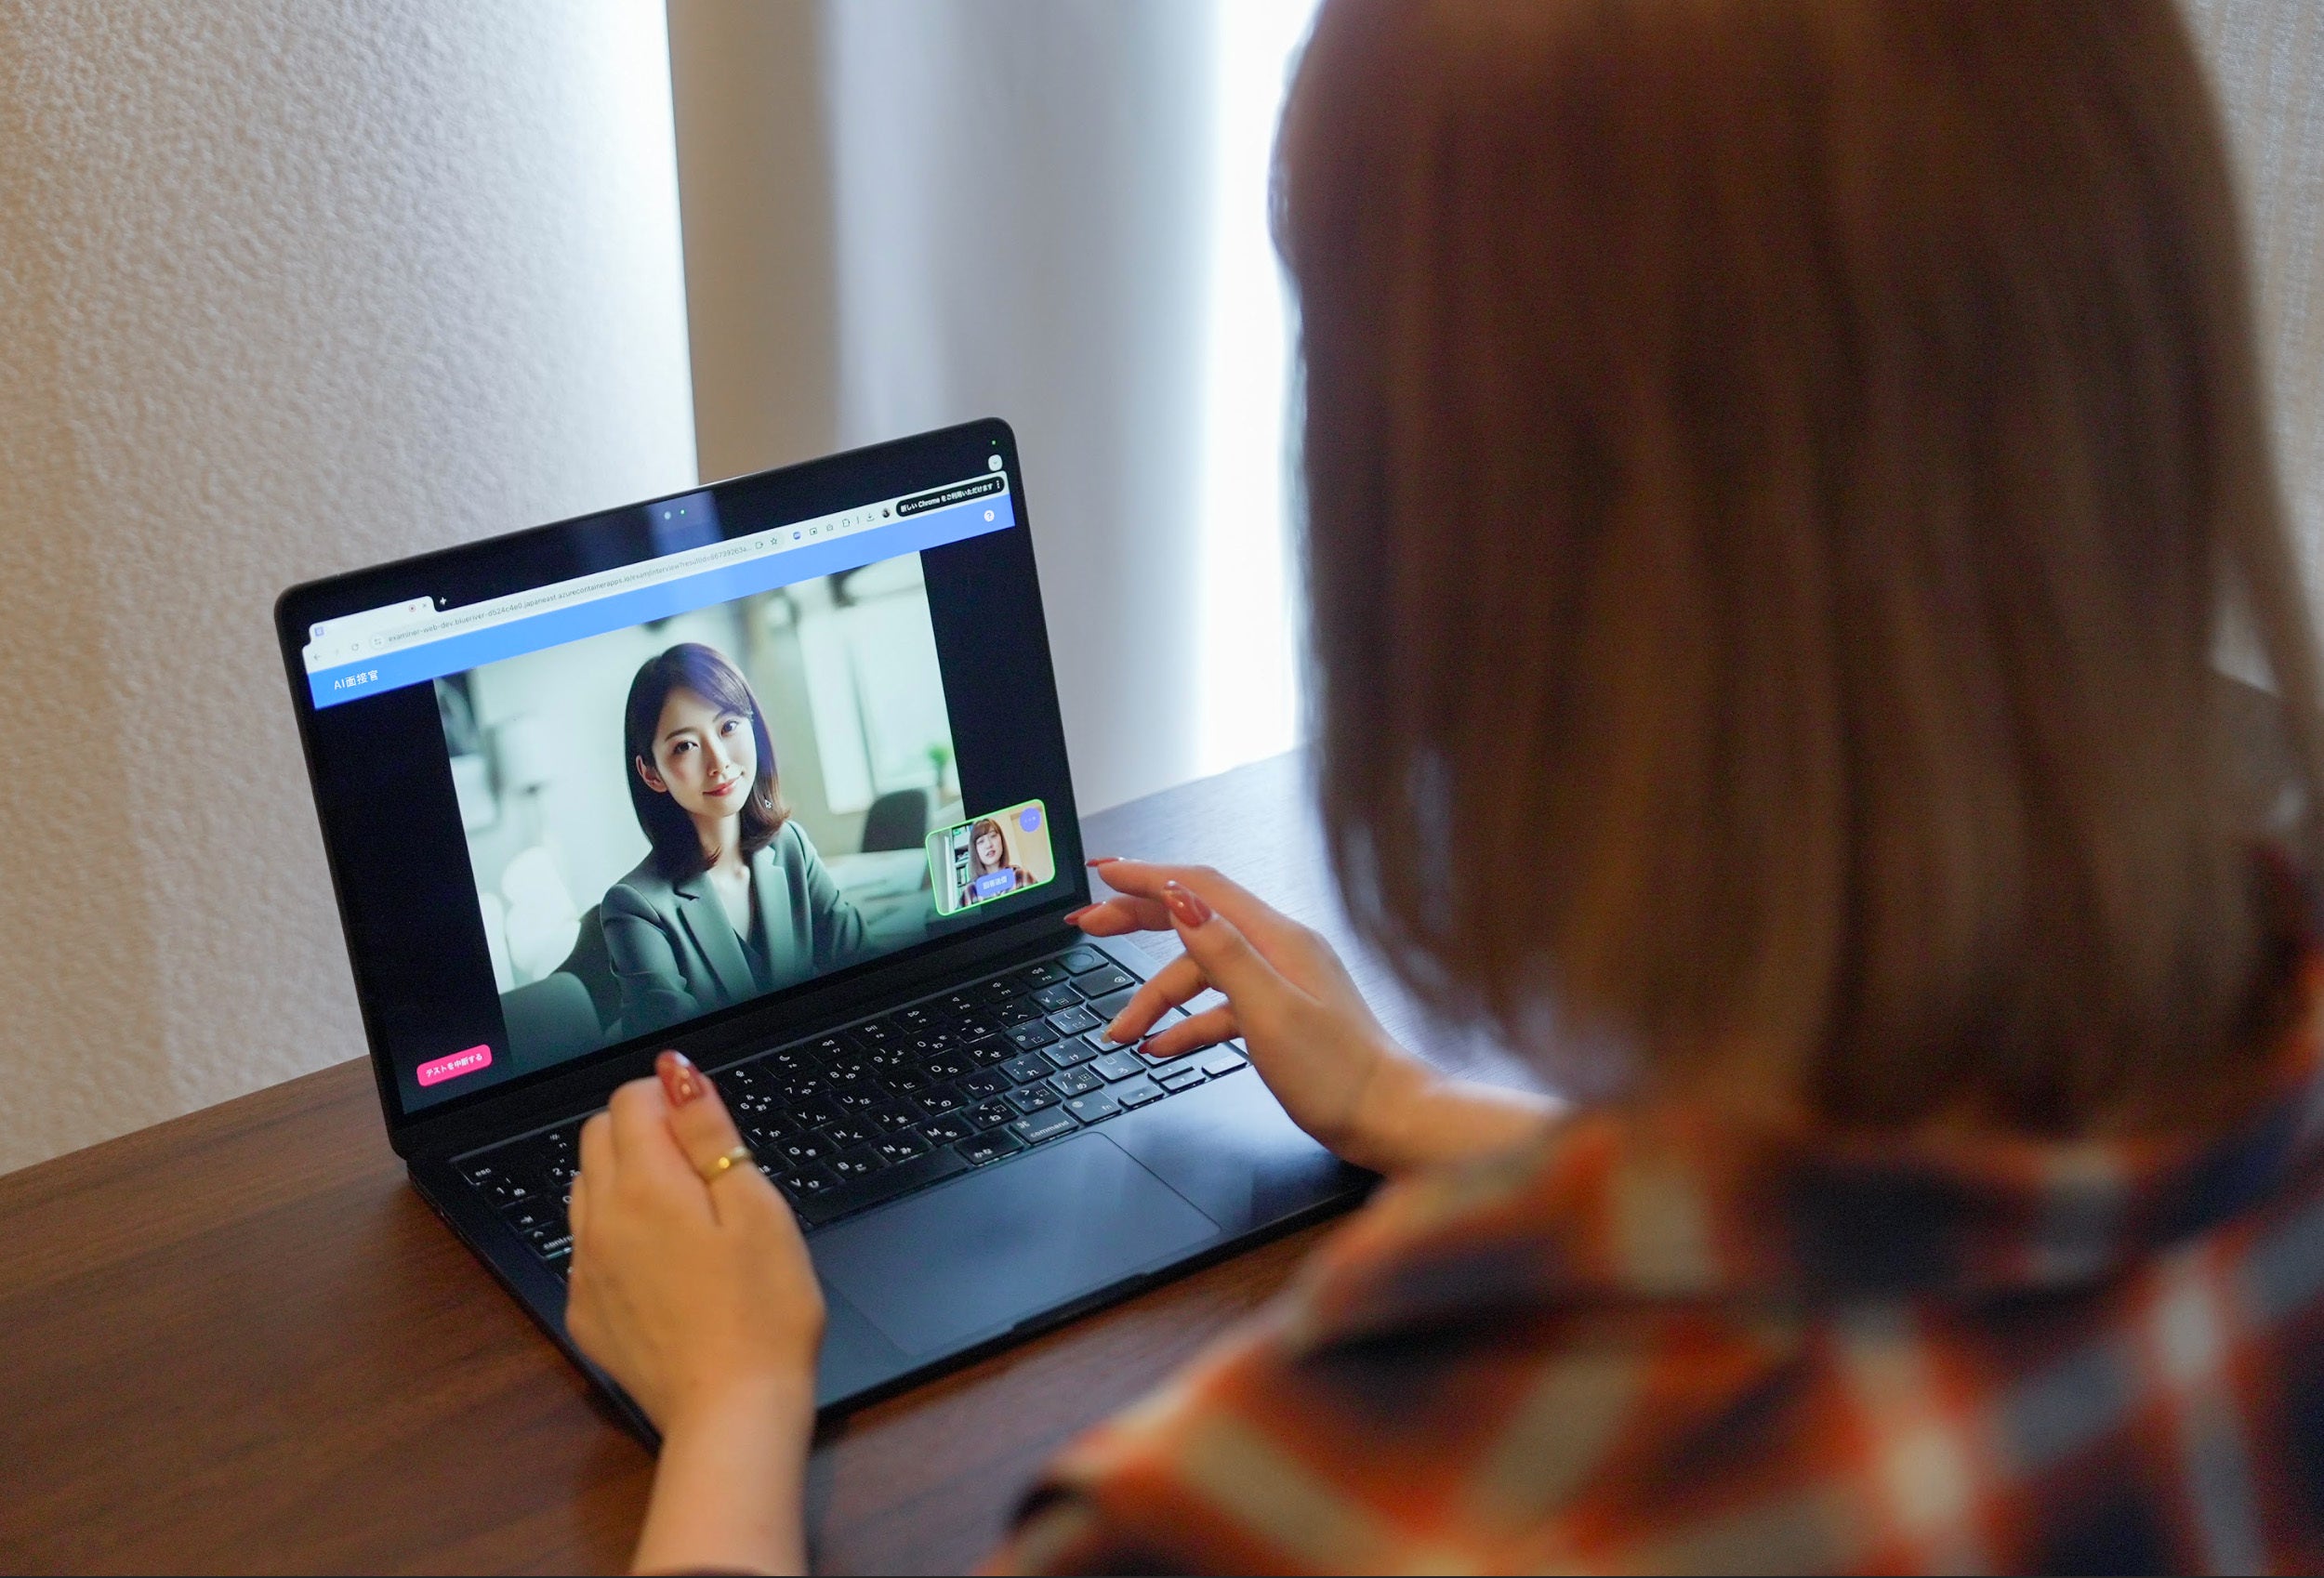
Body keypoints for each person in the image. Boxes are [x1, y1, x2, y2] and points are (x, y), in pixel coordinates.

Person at [561, 1, 2324, 1571]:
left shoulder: (1315, 1502)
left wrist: (732, 1399)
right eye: (681, 739)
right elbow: (1880, 1220)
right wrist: (1415, 1106)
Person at [601, 643, 867, 1035]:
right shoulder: (635, 908)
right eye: (685, 746)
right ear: (652, 774)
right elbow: (678, 1049)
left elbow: (864, 969)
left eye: (728, 727)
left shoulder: (789, 846)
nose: (719, 762)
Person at [964, 815, 1034, 903]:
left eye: (993, 836)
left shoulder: (1021, 875)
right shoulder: (970, 891)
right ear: (975, 850)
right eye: (981, 841)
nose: (989, 844)